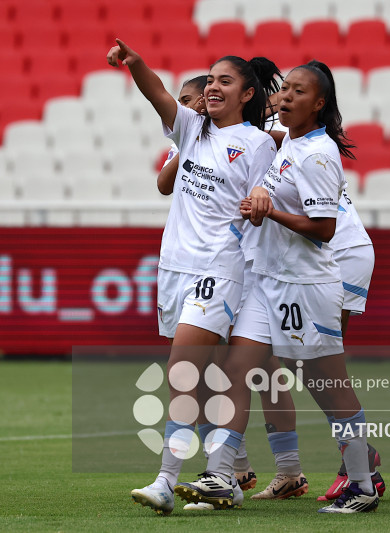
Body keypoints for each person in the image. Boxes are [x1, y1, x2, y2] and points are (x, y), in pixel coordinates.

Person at [173, 60, 380, 514]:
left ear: (319, 104)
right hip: (268, 283)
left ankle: (363, 484)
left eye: (297, 91)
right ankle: (221, 476)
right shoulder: (290, 144)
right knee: (235, 370)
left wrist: (269, 211)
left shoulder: (318, 153)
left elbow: (324, 229)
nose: (285, 96)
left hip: (305, 286)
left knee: (327, 386)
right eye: (283, 88)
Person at [106, 39, 280, 516]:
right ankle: (226, 475)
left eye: (225, 81)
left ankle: (166, 480)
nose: (214, 87)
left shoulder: (258, 142)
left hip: (221, 267)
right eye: (211, 80)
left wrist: (262, 199)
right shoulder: (193, 130)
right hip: (174, 266)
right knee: (203, 382)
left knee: (182, 369)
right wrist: (135, 62)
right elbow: (158, 93)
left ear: (248, 94)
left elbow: (267, 191)